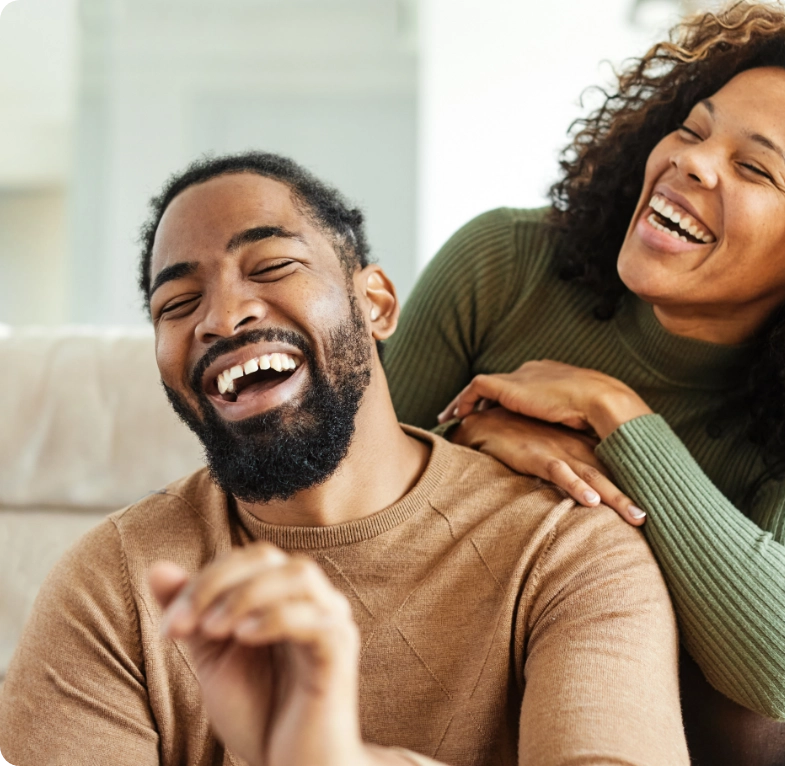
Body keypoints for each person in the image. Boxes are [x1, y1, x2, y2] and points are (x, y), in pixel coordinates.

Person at [0, 153, 689, 766]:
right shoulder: (111, 587)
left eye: (271, 266)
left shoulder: (568, 552)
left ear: (377, 303)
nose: (222, 316)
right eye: (178, 303)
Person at [384, 1, 785, 763]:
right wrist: (469, 439)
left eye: (753, 167)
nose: (692, 162)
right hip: (461, 645)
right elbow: (353, 497)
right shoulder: (502, 263)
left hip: (662, 710)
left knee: (753, 694)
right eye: (693, 130)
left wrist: (616, 417)